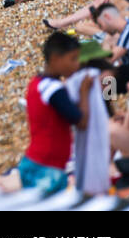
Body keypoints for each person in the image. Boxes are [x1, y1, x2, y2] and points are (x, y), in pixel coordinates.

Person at [19, 32, 92, 193]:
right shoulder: (53, 89)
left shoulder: (36, 82)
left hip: (37, 160)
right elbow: (81, 121)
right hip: (47, 166)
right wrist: (84, 91)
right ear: (55, 59)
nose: (77, 64)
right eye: (73, 59)